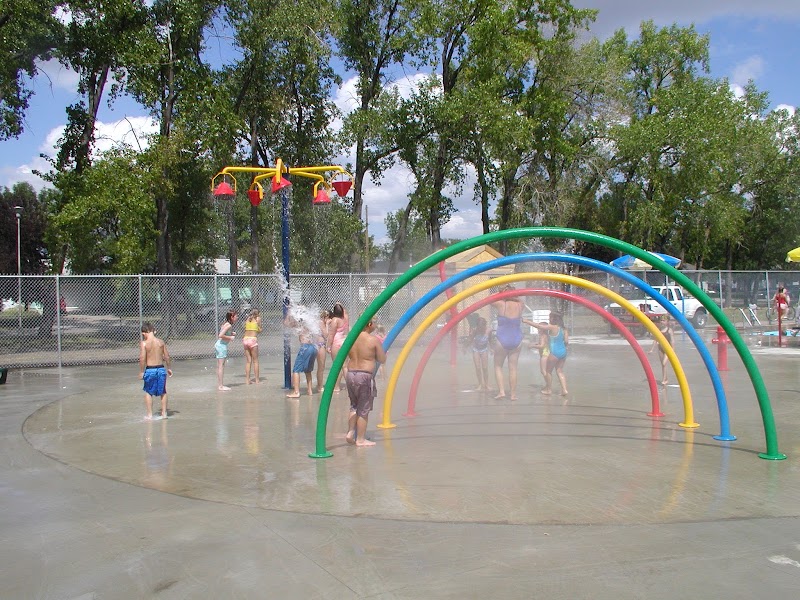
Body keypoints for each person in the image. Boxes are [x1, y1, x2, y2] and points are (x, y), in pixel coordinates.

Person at [345, 318, 386, 447]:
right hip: (364, 375)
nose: (375, 325)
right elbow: (382, 359)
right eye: (374, 322)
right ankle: (360, 439)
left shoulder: (351, 338)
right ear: (369, 324)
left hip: (351, 374)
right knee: (363, 409)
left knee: (354, 405)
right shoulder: (372, 340)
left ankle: (351, 432)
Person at [491, 286, 524, 400]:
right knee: (513, 368)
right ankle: (513, 395)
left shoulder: (501, 304)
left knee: (498, 366)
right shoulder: (520, 305)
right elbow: (520, 299)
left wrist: (500, 292)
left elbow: (489, 299)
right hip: (517, 339)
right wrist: (514, 295)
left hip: (502, 338)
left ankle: (502, 392)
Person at [526, 311, 569, 396]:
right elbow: (566, 341)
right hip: (563, 352)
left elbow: (539, 326)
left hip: (554, 352)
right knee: (560, 371)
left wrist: (526, 321)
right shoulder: (564, 329)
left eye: (550, 317)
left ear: (553, 318)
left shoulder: (552, 327)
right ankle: (564, 390)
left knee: (548, 371)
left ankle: (548, 390)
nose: (549, 319)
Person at [139, 322, 172, 420]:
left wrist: (142, 371)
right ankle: (164, 413)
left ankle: (150, 415)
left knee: (148, 392)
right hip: (161, 369)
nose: (143, 335)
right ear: (154, 331)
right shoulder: (161, 342)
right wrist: (169, 368)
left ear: (145, 332)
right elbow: (167, 356)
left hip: (150, 370)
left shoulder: (144, 343)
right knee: (163, 391)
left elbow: (142, 358)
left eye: (143, 333)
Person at [287, 317, 316, 398]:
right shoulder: (309, 327)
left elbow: (288, 324)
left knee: (296, 370)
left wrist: (289, 315)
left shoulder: (300, 327)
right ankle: (310, 390)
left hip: (305, 348)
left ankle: (296, 392)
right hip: (313, 348)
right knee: (308, 370)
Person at [326, 302, 350, 392]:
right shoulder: (346, 317)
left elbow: (331, 335)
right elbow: (345, 311)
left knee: (336, 366)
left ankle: (336, 387)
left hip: (336, 344)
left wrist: (328, 346)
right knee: (345, 366)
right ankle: (349, 386)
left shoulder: (335, 320)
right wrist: (340, 304)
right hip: (345, 342)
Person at [215, 310, 238, 391]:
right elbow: (220, 335)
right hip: (221, 346)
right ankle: (221, 386)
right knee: (221, 366)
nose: (237, 317)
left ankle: (219, 385)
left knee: (219, 366)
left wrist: (231, 334)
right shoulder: (228, 325)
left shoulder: (226, 324)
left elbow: (223, 333)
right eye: (236, 316)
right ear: (232, 317)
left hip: (219, 345)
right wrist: (230, 337)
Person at [649, 314, 674, 385]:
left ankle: (664, 380)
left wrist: (672, 350)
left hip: (668, 349)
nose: (662, 322)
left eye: (663, 320)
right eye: (661, 320)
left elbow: (672, 341)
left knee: (664, 363)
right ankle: (666, 379)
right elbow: (656, 340)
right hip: (660, 348)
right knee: (663, 365)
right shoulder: (659, 330)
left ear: (667, 322)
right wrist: (652, 349)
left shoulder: (669, 330)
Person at [469, 316, 490, 391]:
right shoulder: (475, 331)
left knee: (485, 368)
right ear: (477, 326)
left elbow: (490, 340)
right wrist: (465, 347)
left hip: (484, 349)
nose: (480, 329)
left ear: (485, 325)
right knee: (478, 368)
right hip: (476, 349)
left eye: (482, 327)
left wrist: (492, 348)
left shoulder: (488, 330)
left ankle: (486, 384)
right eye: (479, 327)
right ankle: (480, 384)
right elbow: (470, 340)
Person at [242, 309, 262, 384]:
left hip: (245, 339)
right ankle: (257, 380)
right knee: (255, 361)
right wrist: (259, 328)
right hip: (252, 340)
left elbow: (245, 328)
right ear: (258, 314)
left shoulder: (248, 319)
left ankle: (247, 380)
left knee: (248, 361)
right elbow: (259, 330)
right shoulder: (258, 319)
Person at [314, 310, 330, 392]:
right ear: (326, 317)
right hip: (320, 345)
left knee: (320, 367)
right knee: (321, 366)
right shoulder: (321, 323)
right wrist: (327, 325)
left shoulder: (318, 322)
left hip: (319, 344)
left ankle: (319, 385)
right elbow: (326, 335)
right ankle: (320, 386)